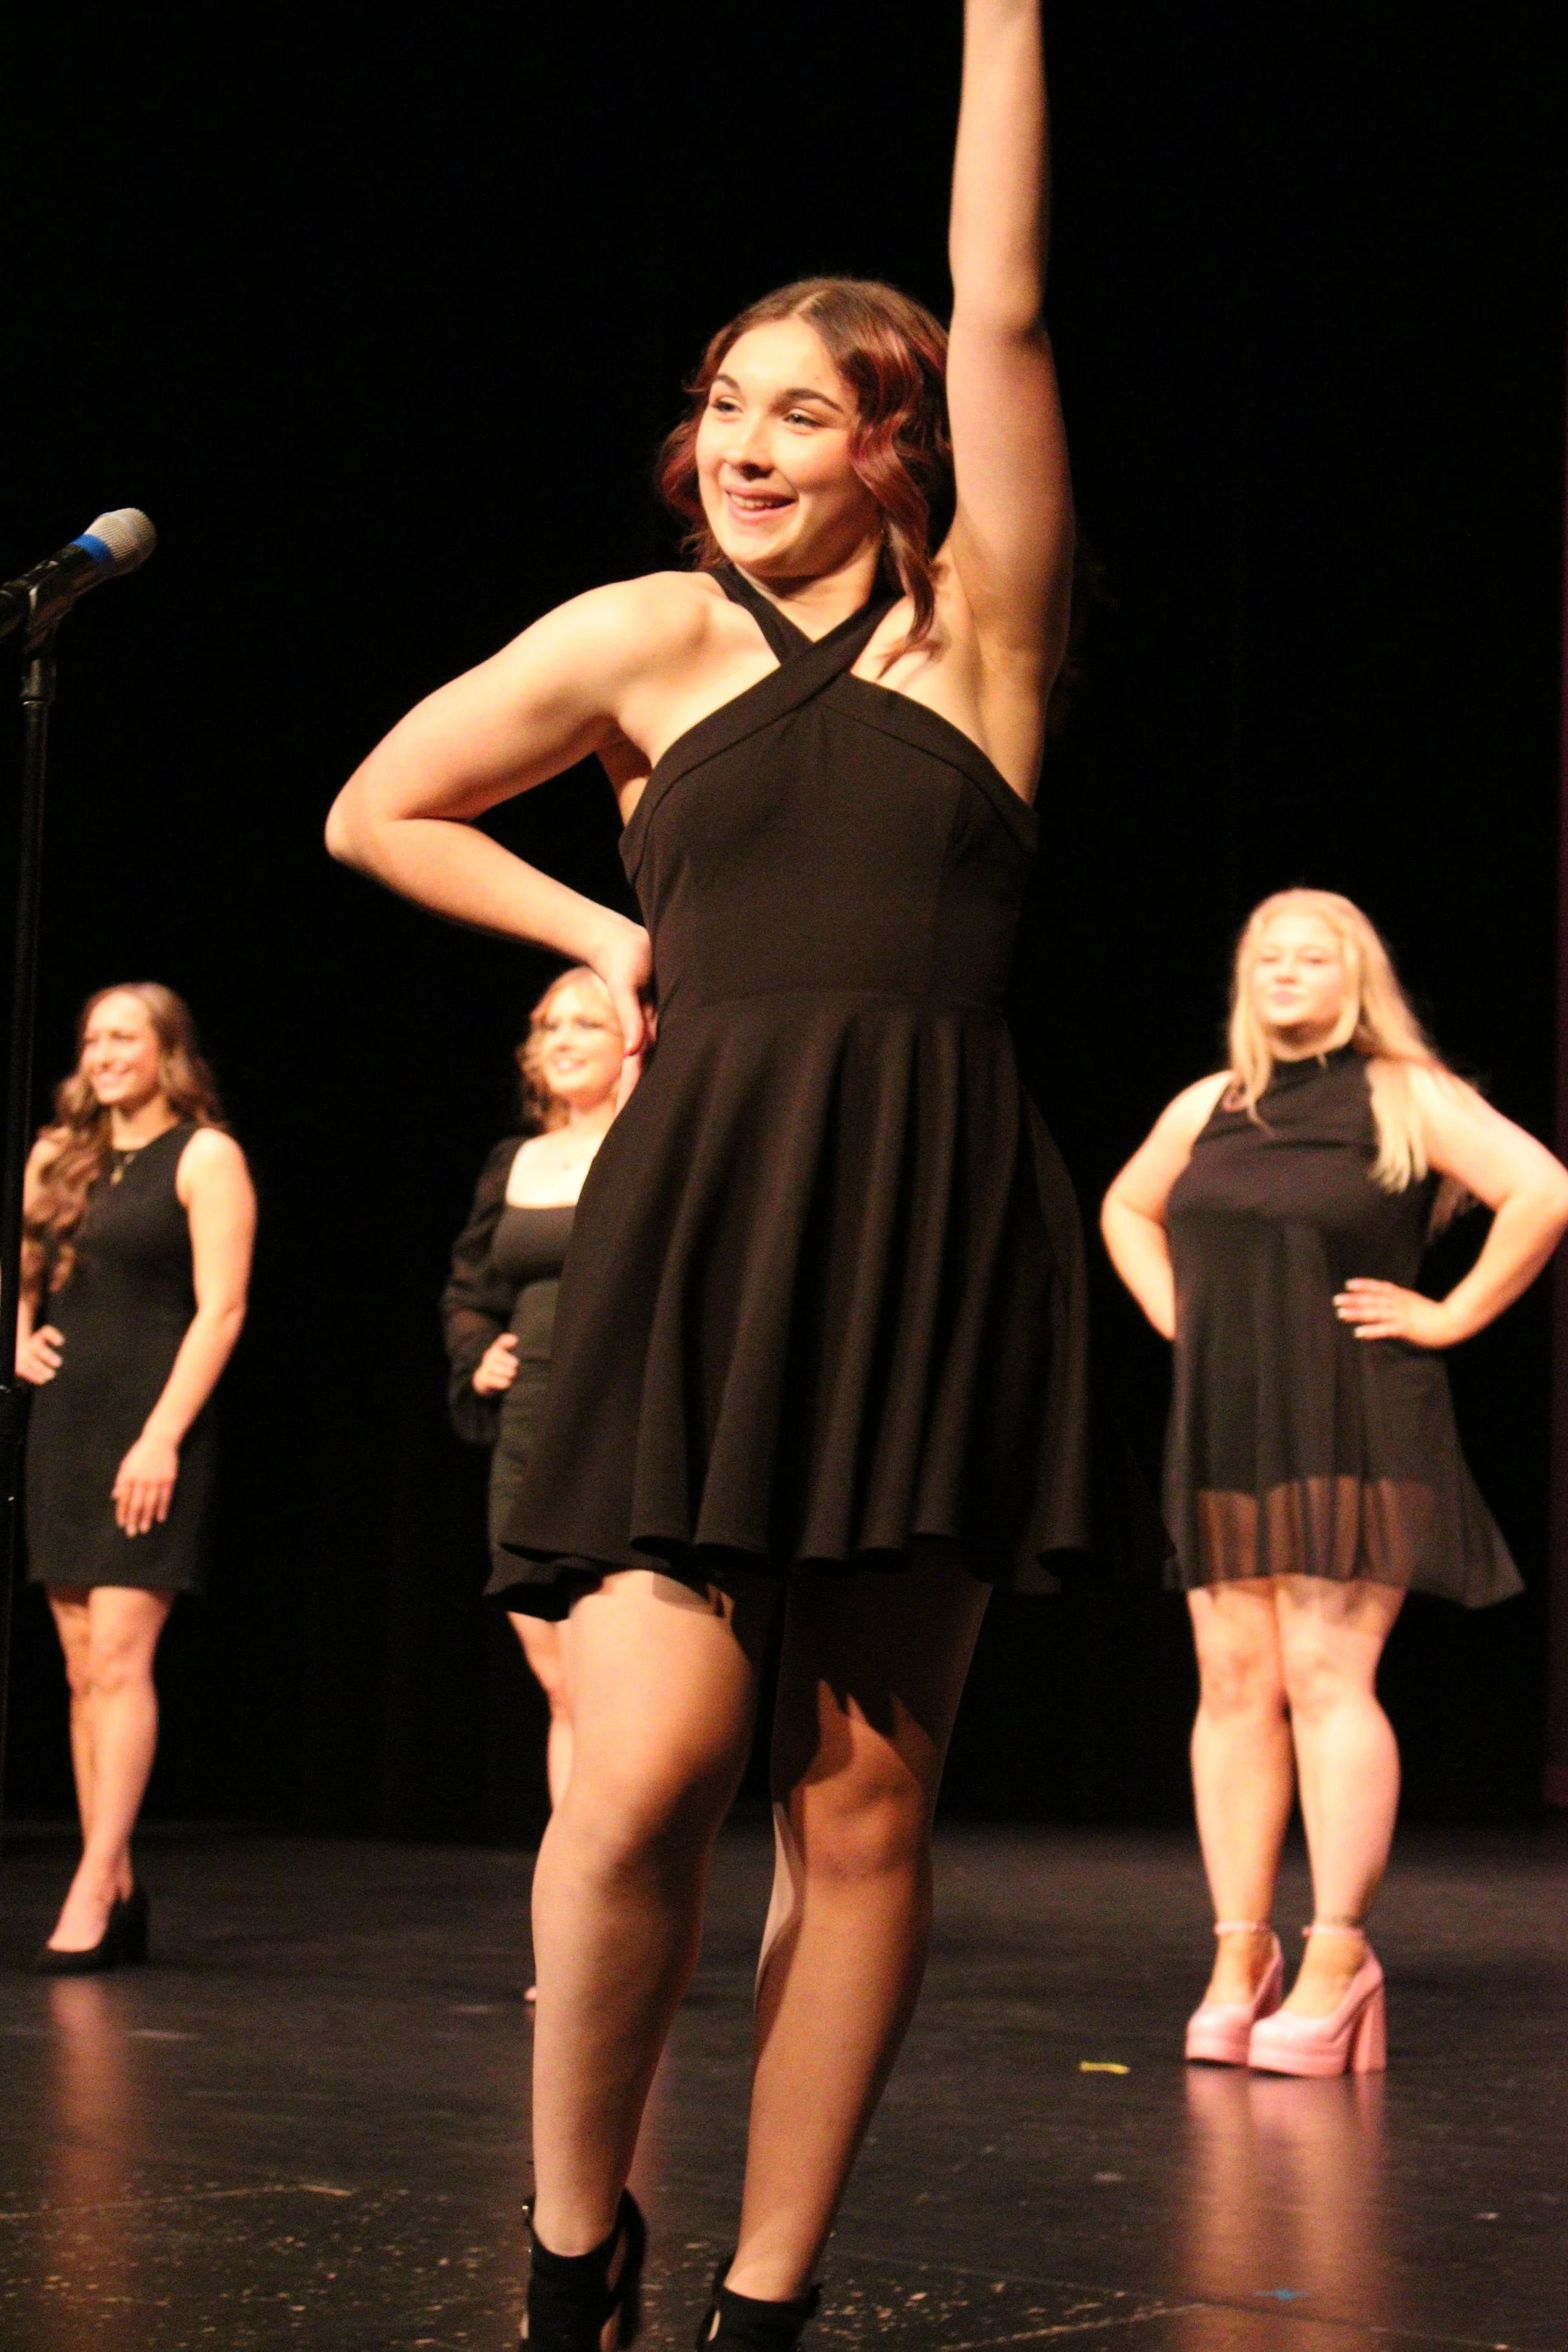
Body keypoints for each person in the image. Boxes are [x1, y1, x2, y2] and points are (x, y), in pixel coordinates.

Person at [329, 2, 1086, 2339]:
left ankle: (768, 2293)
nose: (745, 442)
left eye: (803, 408)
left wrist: (997, 21)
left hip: (929, 1222)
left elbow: (1014, 298)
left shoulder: (988, 637)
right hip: (701, 1225)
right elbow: (378, 808)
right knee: (643, 1774)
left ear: (896, 445)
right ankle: (581, 2251)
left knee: (861, 1805)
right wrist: (607, 931)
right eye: (722, 403)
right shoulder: (643, 640)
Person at [1102, 889, 1568, 2076]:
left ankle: (1337, 1952)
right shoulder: (1212, 1103)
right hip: (1230, 1416)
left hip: (1360, 1410)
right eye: (1268, 953)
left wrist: (1455, 1312)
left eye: (1313, 954)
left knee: (1323, 1669)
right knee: (1235, 1676)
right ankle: (1237, 1952)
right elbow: (1126, 1205)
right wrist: (1175, 1313)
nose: (1286, 970)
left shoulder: (1402, 1092)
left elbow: (1542, 1187)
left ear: (1356, 977)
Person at [16, 983, 256, 1974]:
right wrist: (19, 1335)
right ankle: (113, 1879)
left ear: (169, 1052)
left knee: (120, 1658)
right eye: (93, 1039)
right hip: (66, 1426)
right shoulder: (56, 1155)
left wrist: (160, 1435)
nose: (104, 1053)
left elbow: (224, 1308)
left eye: (125, 1036)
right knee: (80, 1665)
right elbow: (26, 1267)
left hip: (152, 1429)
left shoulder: (206, 1156)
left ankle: (94, 1878)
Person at [442, 968, 626, 1858]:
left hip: (620, 1430)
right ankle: (574, 1925)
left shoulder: (651, 1148)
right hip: (528, 1429)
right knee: (559, 1687)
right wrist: (479, 1352)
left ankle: (617, 1902)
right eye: (547, 1024)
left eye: (583, 1022)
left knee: (612, 1692)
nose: (559, 1038)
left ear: (632, 1036)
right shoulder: (514, 1162)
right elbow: (471, 1290)